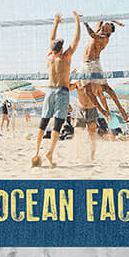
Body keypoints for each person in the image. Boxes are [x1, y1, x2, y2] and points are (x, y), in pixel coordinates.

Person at [31, 13, 79, 168]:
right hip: (62, 93)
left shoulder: (49, 57)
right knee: (58, 123)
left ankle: (36, 151)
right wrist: (78, 21)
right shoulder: (65, 57)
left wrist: (56, 23)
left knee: (44, 122)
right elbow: (76, 41)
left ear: (52, 49)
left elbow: (52, 40)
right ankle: (50, 152)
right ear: (62, 49)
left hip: (49, 91)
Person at [74, 17, 129, 122]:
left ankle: (121, 109)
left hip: (94, 63)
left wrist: (86, 24)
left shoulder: (104, 38)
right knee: (87, 90)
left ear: (109, 31)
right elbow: (103, 16)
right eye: (107, 23)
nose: (106, 24)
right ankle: (102, 111)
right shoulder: (99, 28)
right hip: (84, 63)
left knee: (106, 88)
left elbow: (93, 36)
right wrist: (115, 21)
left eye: (109, 25)